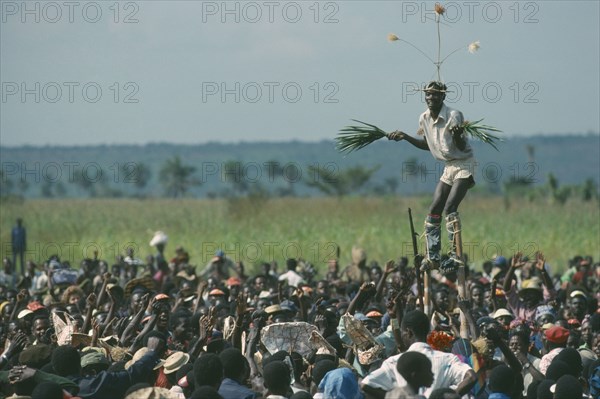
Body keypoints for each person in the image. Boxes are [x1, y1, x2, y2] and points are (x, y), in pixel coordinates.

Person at [388, 81, 475, 273]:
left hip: (463, 163)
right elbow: (428, 145)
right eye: (428, 95)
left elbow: (461, 147)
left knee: (450, 207)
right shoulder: (424, 118)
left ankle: (454, 254)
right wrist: (406, 137)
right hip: (448, 166)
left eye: (435, 95)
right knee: (434, 209)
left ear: (443, 97)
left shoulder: (454, 115)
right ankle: (433, 255)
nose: (431, 98)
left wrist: (459, 135)